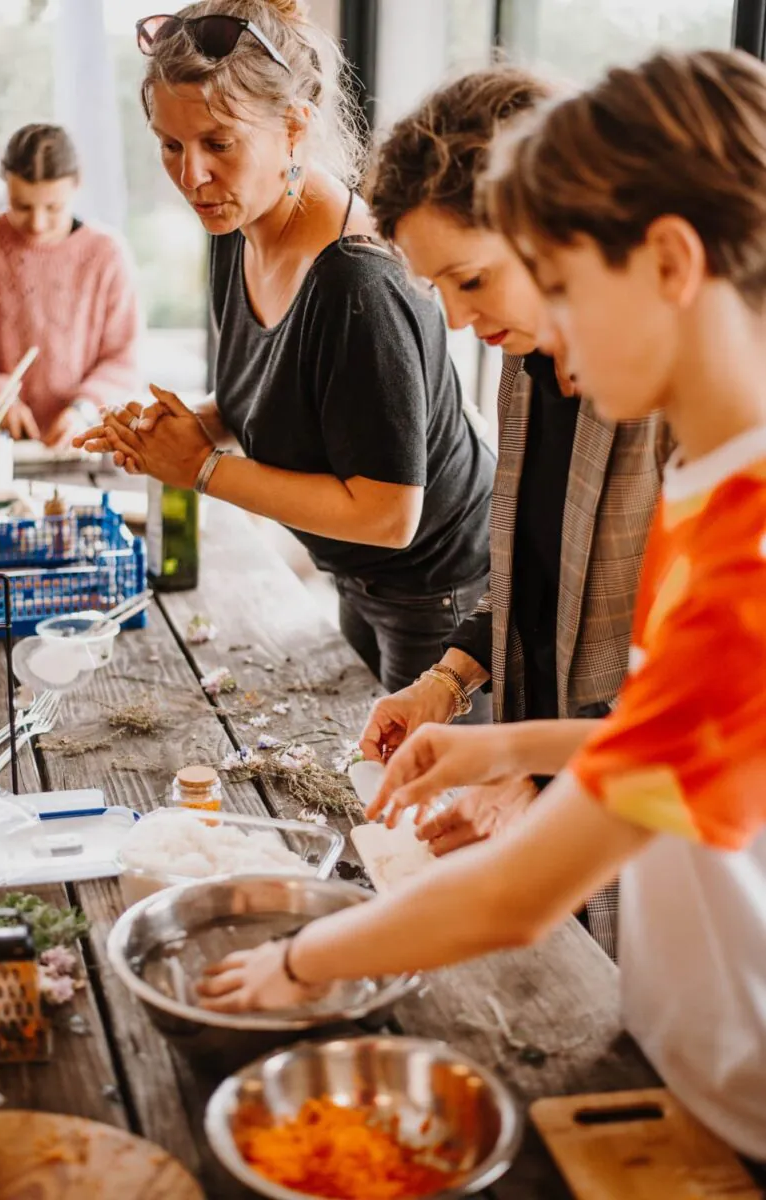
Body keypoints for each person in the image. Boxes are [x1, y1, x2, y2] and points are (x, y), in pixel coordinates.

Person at [196, 49, 766, 1167]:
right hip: (688, 1054)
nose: (540, 328)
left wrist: (304, 960)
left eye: (556, 280)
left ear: (665, 261)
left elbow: (521, 895)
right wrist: (498, 739)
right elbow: (698, 744)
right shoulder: (716, 482)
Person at [75, 0, 495, 701]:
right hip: (355, 574)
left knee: (413, 801)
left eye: (218, 142)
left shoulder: (357, 283)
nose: (191, 176)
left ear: (294, 126)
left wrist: (202, 468)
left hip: (440, 591)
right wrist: (188, 427)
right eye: (170, 145)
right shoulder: (235, 226)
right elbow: (280, 394)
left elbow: (388, 515)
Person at [360, 68, 670, 955]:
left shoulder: (679, 398)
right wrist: (446, 682)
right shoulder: (524, 362)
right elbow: (529, 579)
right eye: (439, 292)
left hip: (651, 834)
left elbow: (708, 703)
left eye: (470, 279)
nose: (458, 320)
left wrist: (539, 779)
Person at [0, 124, 139, 448]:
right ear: (6, 188)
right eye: (22, 206)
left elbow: (123, 358)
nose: (37, 223)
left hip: (87, 442)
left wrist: (85, 409)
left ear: (77, 184)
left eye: (53, 208)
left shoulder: (107, 254)